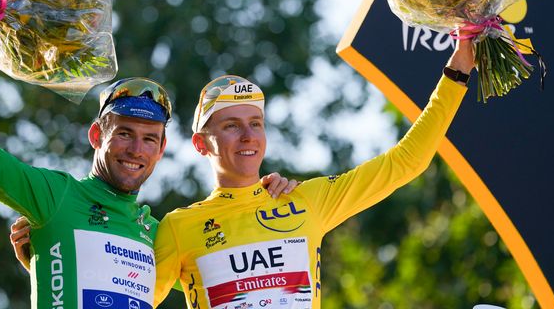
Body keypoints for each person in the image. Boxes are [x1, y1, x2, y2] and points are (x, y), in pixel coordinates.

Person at [0, 27, 294, 309]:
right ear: (96, 135)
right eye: (125, 134)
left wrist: (262, 196)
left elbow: (232, 268)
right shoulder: (56, 197)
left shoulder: (161, 232)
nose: (136, 149)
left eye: (149, 139)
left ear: (161, 149)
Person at [151, 39, 474, 309]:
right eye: (231, 126)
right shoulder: (179, 227)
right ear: (200, 144)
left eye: (256, 124)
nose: (248, 136)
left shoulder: (307, 199)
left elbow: (408, 161)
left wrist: (457, 73)